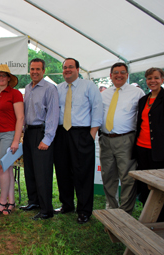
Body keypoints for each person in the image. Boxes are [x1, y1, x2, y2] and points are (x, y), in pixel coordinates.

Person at [54, 58, 103, 224]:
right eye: (64, 68)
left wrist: (92, 134)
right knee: (62, 171)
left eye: (70, 67)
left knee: (83, 173)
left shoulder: (89, 86)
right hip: (61, 133)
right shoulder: (59, 88)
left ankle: (84, 210)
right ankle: (67, 204)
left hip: (81, 133)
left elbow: (97, 109)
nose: (67, 70)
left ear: (78, 69)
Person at [99, 63, 144, 214]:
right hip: (105, 140)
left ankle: (125, 213)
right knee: (108, 176)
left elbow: (143, 117)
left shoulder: (137, 92)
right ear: (110, 75)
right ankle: (112, 209)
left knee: (127, 178)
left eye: (122, 72)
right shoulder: (104, 94)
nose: (119, 75)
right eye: (115, 72)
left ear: (127, 75)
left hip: (126, 140)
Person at [20, 58, 59, 220]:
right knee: (29, 170)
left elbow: (53, 115)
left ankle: (46, 209)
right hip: (29, 133)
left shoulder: (50, 89)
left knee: (42, 172)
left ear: (43, 71)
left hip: (41, 133)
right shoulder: (28, 88)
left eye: (38, 69)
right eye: (32, 69)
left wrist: (47, 138)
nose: (34, 72)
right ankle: (34, 201)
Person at [0, 64, 24, 215]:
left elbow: (20, 117)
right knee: (5, 167)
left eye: (4, 75)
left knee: (3, 167)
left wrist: (16, 139)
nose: (1, 78)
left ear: (9, 78)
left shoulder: (15, 94)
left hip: (9, 134)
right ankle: (11, 202)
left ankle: (2, 202)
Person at [133, 67, 164, 221]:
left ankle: (160, 218)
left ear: (162, 80)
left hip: (159, 150)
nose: (153, 81)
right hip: (141, 148)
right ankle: (147, 215)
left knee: (158, 185)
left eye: (156, 78)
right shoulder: (143, 100)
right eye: (149, 78)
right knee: (144, 184)